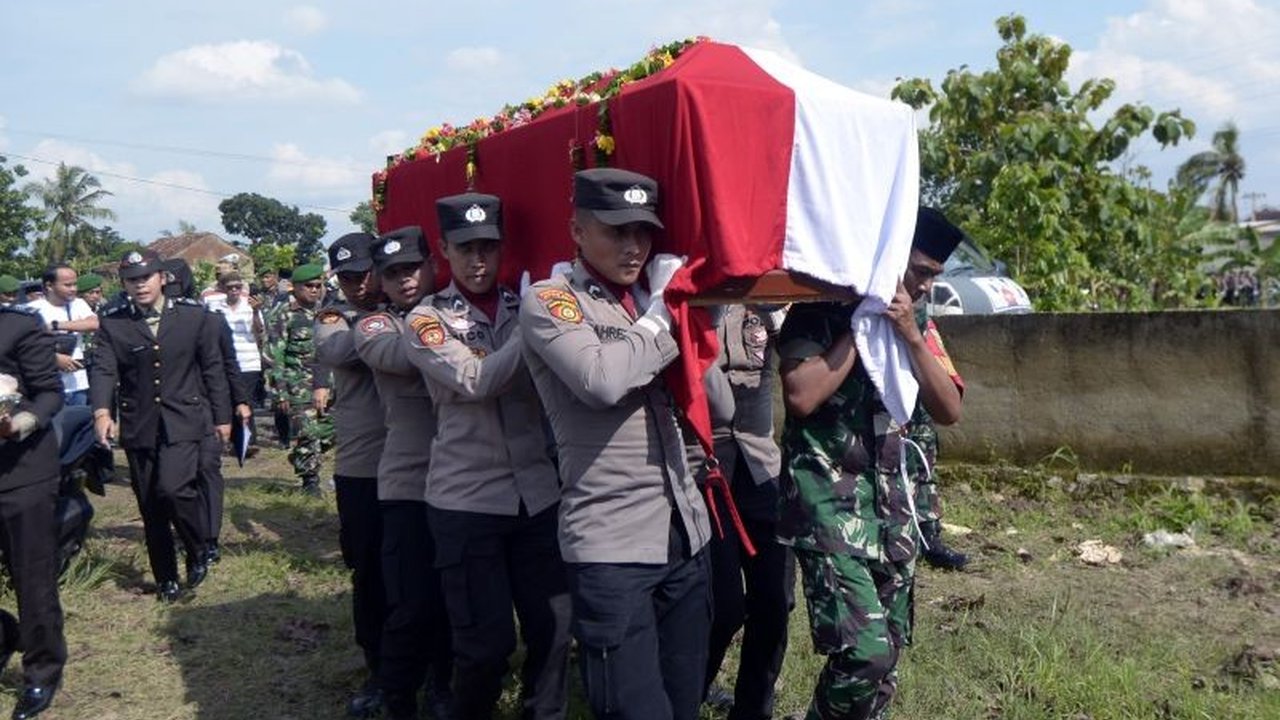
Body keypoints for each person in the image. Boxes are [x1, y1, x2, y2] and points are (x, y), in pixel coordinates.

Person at [521, 168, 712, 720]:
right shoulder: (553, 302)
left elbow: (715, 403)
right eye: (616, 231)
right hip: (612, 543)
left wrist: (698, 320)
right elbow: (602, 381)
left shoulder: (646, 301)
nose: (633, 246)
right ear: (577, 232)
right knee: (634, 709)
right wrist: (661, 319)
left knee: (683, 703)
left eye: (643, 232)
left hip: (685, 529)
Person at [776, 206, 966, 720]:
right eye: (920, 271)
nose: (926, 286)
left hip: (892, 510)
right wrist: (862, 328)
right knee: (864, 653)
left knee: (891, 652)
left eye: (933, 275)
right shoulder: (819, 309)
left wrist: (907, 334)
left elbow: (948, 408)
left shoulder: (918, 320)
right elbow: (801, 395)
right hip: (830, 505)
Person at [406, 193, 571, 720]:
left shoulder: (522, 306)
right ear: (443, 251)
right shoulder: (425, 320)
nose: (479, 260)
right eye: (466, 248)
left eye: (488, 247)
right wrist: (536, 326)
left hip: (536, 496)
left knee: (555, 628)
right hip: (468, 501)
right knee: (486, 645)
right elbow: (475, 379)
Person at [90, 250, 231, 603]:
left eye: (145, 278)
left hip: (185, 417)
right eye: (131, 280)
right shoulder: (113, 321)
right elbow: (105, 370)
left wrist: (223, 416)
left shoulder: (192, 316)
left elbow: (212, 368)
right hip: (139, 422)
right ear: (123, 284)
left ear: (162, 278)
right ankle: (166, 577)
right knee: (151, 504)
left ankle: (198, 546)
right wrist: (102, 413)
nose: (139, 285)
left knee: (174, 489)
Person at [352, 227, 453, 720]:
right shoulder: (374, 327)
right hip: (409, 483)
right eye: (393, 274)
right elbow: (408, 357)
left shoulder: (460, 311)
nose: (405, 280)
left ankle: (445, 683)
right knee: (410, 601)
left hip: (464, 481)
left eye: (412, 268)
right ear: (381, 282)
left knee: (458, 598)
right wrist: (457, 330)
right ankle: (397, 696)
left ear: (432, 266)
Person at [702, 304, 795, 720]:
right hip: (705, 467)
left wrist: (778, 314)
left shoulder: (770, 296)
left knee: (775, 599)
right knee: (721, 607)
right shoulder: (690, 292)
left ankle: (753, 710)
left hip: (761, 464)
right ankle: (689, 689)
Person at [312, 233, 389, 718]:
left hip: (423, 461)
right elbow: (344, 351)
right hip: (364, 464)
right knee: (370, 573)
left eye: (364, 273)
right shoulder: (331, 319)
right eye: (347, 277)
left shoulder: (411, 306)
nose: (358, 285)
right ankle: (379, 668)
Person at [0, 303, 68, 719]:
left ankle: (42, 671)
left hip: (19, 472)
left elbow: (49, 393)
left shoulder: (17, 326)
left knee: (32, 577)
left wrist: (18, 422)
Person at [264, 263, 333, 495]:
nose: (315, 290)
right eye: (309, 286)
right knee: (309, 432)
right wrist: (280, 391)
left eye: (318, 285)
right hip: (297, 384)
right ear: (295, 288)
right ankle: (310, 482)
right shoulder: (284, 314)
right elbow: (274, 356)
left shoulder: (325, 312)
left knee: (334, 429)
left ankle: (301, 456)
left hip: (325, 383)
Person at [206, 272, 265, 450]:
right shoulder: (214, 306)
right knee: (228, 399)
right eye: (230, 287)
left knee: (245, 401)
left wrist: (255, 311)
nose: (234, 291)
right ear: (222, 289)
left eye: (237, 287)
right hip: (225, 360)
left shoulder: (250, 306)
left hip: (248, 360)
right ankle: (232, 439)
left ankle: (247, 441)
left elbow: (259, 332)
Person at [26, 265, 97, 406]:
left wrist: (55, 325)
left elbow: (94, 324)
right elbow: (25, 347)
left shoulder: (78, 304)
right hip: (48, 387)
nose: (73, 289)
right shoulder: (32, 309)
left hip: (77, 384)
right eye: (67, 285)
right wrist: (54, 358)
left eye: (75, 284)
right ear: (49, 286)